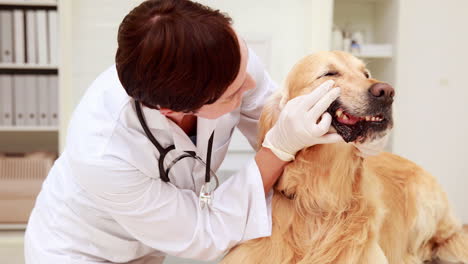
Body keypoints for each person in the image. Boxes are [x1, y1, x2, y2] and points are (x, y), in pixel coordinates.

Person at [24, 0, 387, 263]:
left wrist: (352, 133)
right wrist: (277, 149)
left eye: (246, 65)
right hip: (81, 250)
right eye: (233, 93)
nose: (251, 85)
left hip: (150, 248)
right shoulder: (104, 153)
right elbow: (203, 234)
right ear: (174, 110)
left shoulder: (226, 59)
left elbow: (283, 129)